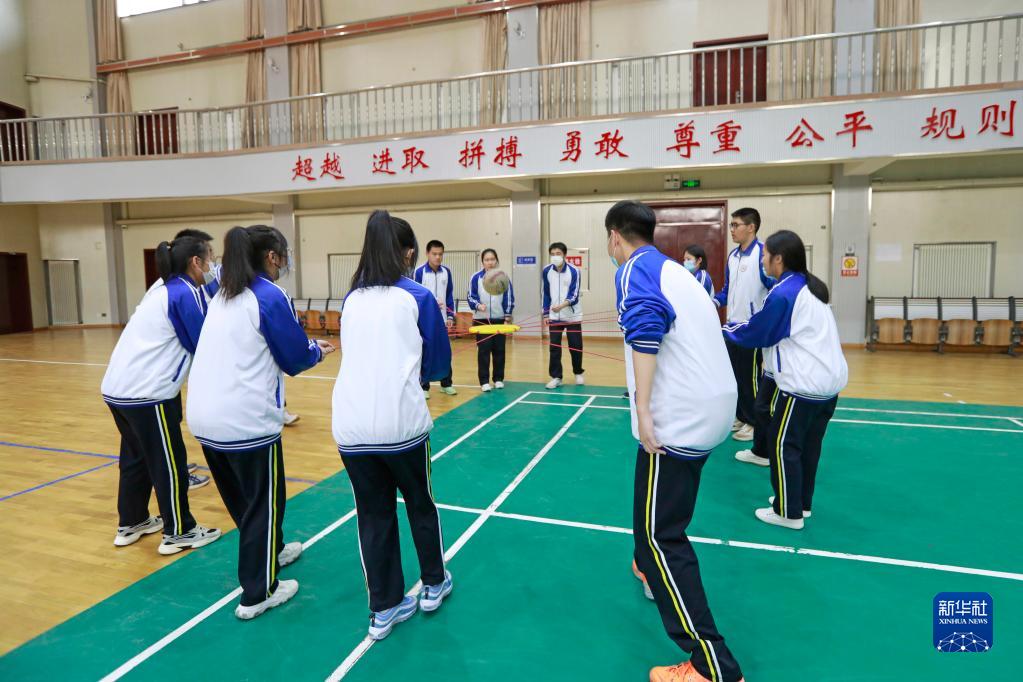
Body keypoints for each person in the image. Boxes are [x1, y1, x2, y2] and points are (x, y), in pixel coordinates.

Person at [607, 201, 744, 682]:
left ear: (615, 237)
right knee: (657, 514)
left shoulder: (633, 269)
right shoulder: (675, 272)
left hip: (679, 416)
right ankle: (647, 566)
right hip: (712, 407)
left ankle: (712, 664)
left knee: (660, 535)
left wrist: (644, 410)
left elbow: (646, 330)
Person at [186, 225, 334, 620]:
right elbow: (294, 357)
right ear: (272, 257)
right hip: (245, 422)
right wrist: (316, 351)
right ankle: (258, 592)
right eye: (283, 254)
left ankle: (273, 550)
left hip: (204, 417)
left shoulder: (222, 293)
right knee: (262, 503)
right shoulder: (268, 295)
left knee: (245, 501)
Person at [333, 210, 453, 641]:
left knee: (373, 514)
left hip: (351, 426)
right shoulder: (418, 296)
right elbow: (438, 366)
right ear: (407, 253)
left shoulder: (350, 299)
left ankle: (384, 608)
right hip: (401, 427)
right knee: (420, 502)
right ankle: (433, 583)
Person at [101, 235, 222, 555]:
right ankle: (179, 531)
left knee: (136, 458)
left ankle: (133, 522)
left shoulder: (164, 288)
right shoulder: (184, 293)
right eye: (210, 258)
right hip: (148, 394)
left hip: (117, 389)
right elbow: (203, 343)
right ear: (196, 262)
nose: (213, 264)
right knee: (168, 462)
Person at [724, 230, 847, 529]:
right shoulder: (808, 286)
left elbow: (758, 332)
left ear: (778, 259)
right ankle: (800, 503)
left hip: (804, 385)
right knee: (808, 446)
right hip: (828, 384)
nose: (762, 260)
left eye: (765, 255)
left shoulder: (784, 293)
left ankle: (787, 513)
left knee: (783, 445)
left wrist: (722, 330)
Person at [714, 208, 774, 443]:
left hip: (753, 329)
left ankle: (754, 422)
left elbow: (773, 289)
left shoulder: (762, 255)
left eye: (736, 225)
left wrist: (763, 320)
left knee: (751, 378)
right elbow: (727, 290)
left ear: (751, 227)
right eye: (731, 225)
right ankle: (741, 416)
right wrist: (713, 302)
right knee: (735, 376)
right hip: (733, 328)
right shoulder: (733, 256)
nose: (732, 229)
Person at [413, 239, 457, 398]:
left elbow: (449, 294)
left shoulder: (447, 272)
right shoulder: (419, 272)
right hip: (425, 320)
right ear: (427, 254)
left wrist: (451, 315)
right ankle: (424, 386)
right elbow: (414, 296)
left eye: (440, 254)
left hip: (443, 319)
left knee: (445, 351)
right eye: (434, 254)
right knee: (426, 352)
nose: (438, 257)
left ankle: (447, 384)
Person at [467, 248, 514, 392]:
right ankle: (484, 381)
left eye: (492, 259)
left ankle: (498, 379)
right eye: (487, 260)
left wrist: (507, 317)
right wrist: (478, 305)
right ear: (482, 262)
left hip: (499, 319)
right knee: (483, 351)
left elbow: (509, 298)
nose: (490, 262)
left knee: (499, 350)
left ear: (496, 261)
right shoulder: (476, 277)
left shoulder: (503, 277)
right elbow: (471, 296)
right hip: (481, 320)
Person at [542, 241, 585, 389]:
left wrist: (561, 306)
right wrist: (546, 314)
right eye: (552, 254)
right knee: (554, 347)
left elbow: (574, 294)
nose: (555, 256)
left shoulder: (574, 271)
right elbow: (545, 293)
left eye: (558, 254)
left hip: (572, 316)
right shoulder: (546, 271)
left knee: (575, 346)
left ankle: (578, 372)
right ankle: (556, 377)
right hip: (554, 317)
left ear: (565, 255)